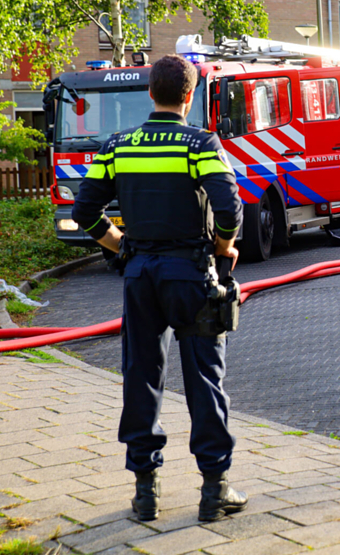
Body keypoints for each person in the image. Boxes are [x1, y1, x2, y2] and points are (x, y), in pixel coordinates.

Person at [71, 55, 247, 523]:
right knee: (204, 379)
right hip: (191, 274)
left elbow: (84, 207)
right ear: (189, 96)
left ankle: (145, 492)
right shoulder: (200, 143)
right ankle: (215, 490)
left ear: (150, 93)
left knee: (141, 377)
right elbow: (230, 208)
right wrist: (224, 250)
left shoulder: (118, 145)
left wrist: (121, 246)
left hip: (140, 276)